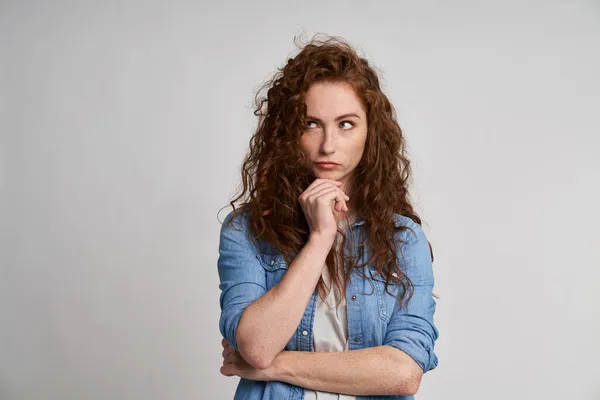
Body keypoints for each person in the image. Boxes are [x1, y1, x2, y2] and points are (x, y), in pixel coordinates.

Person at [217, 34, 439, 400]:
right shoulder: (247, 230)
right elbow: (256, 347)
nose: (328, 145)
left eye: (346, 124)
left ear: (371, 133)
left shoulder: (403, 238)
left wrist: (274, 366)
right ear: (287, 132)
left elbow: (403, 373)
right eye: (311, 123)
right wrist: (320, 238)